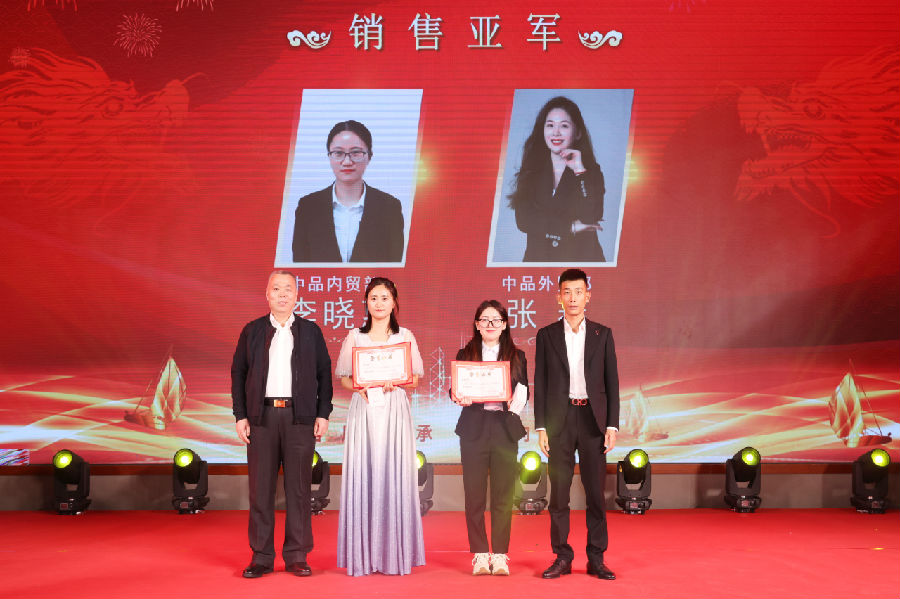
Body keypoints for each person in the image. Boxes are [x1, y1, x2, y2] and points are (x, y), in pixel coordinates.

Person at [231, 270, 333, 578]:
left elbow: (324, 374)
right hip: (261, 419)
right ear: (267, 295)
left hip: (299, 418)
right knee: (260, 490)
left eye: (288, 289)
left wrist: (323, 414)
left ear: (297, 296)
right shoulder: (252, 331)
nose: (282, 294)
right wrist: (241, 415)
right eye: (276, 289)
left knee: (299, 490)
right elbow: (238, 373)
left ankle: (297, 555)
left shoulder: (310, 332)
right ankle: (261, 556)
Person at [335, 277, 425, 575]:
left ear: (394, 302)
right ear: (366, 302)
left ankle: (393, 554)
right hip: (364, 409)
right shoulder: (355, 337)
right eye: (373, 298)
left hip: (394, 410)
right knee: (364, 470)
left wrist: (394, 381)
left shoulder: (405, 336)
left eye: (385, 298)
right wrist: (358, 387)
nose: (379, 303)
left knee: (394, 472)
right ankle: (362, 555)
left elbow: (414, 379)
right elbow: (345, 378)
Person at [534, 268, 619, 581]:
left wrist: (612, 425)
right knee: (559, 494)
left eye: (578, 292)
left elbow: (612, 383)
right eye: (567, 292)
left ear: (588, 296)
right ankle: (562, 556)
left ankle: (597, 558)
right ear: (558, 296)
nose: (572, 298)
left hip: (593, 421)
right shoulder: (546, 335)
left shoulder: (602, 334)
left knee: (596, 493)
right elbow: (540, 383)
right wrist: (541, 427)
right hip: (560, 420)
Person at [451, 300, 528, 576]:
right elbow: (454, 389)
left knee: (503, 494)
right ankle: (480, 554)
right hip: (474, 427)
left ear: (504, 324)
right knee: (474, 494)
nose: (490, 324)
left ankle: (500, 554)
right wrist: (458, 396)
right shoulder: (466, 353)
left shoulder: (517, 356)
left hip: (504, 427)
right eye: (484, 319)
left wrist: (512, 406)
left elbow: (523, 391)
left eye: (496, 320)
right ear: (477, 324)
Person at [508, 96, 607, 262]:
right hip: (539, 261)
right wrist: (570, 227)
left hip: (581, 262)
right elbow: (524, 220)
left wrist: (579, 170)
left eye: (564, 126)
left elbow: (592, 215)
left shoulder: (589, 172)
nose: (556, 132)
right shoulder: (531, 169)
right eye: (550, 125)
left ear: (578, 133)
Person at [292, 120, 405, 263]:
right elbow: (300, 266)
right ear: (329, 156)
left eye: (356, 152)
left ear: (369, 156)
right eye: (338, 153)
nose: (347, 162)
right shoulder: (308, 207)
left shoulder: (389, 207)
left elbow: (395, 265)